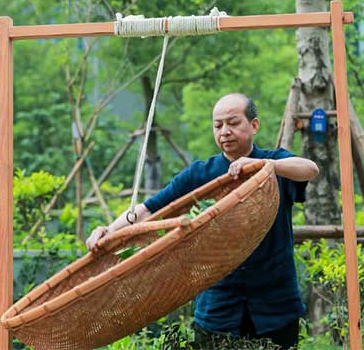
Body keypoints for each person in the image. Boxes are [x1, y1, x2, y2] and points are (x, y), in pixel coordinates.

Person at [86, 93, 319, 348]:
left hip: (275, 305)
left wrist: (266, 165)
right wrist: (108, 230)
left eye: (233, 123)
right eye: (218, 126)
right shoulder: (200, 174)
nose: (225, 131)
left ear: (254, 125)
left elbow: (310, 169)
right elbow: (146, 210)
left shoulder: (274, 162)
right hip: (218, 309)